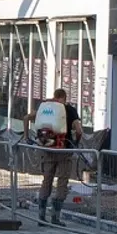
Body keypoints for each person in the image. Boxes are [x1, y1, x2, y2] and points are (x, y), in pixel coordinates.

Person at [26, 88, 82, 225]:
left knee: (47, 180)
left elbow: (26, 118)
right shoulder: (70, 110)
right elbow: (79, 130)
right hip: (64, 151)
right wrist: (75, 143)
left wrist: (26, 137)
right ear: (65, 97)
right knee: (62, 182)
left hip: (48, 149)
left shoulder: (46, 107)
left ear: (54, 95)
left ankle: (41, 217)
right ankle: (55, 218)